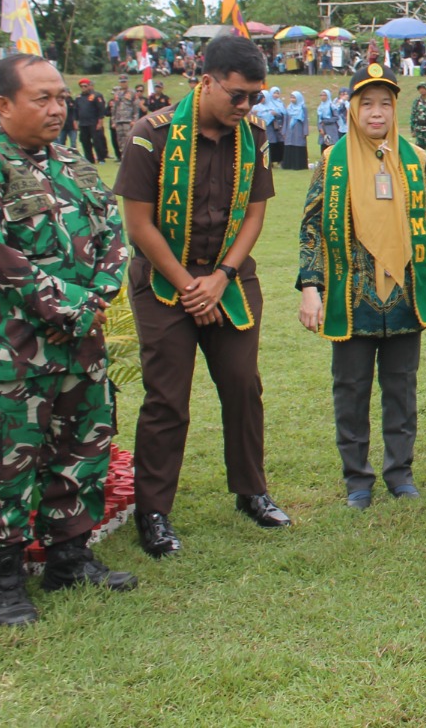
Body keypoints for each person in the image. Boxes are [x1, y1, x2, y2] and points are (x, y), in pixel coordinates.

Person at [0, 54, 136, 626]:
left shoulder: (75, 164)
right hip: (10, 352)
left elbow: (112, 235)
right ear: (2, 104)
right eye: (41, 98)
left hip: (78, 348)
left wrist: (95, 298)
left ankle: (69, 559)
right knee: (2, 463)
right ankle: (3, 583)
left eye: (61, 97)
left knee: (81, 451)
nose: (56, 108)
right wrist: (68, 307)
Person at [115, 33, 292, 558]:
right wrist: (189, 284)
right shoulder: (151, 135)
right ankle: (153, 511)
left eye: (255, 96)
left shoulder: (253, 136)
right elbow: (138, 224)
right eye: (238, 95)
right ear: (206, 81)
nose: (246, 106)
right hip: (164, 279)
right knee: (167, 397)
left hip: (229, 276)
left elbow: (255, 213)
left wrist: (221, 277)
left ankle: (251, 491)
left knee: (242, 384)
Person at [297, 63, 426, 506]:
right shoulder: (333, 162)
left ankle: (400, 473)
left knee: (401, 387)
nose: (376, 112)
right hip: (352, 296)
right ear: (352, 108)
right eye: (366, 103)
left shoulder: (415, 159)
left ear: (394, 108)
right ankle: (357, 479)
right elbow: (312, 227)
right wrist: (311, 287)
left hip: (405, 293)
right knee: (350, 389)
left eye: (385, 104)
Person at [73, 78, 107, 164]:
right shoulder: (78, 98)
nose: (83, 88)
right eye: (81, 86)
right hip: (83, 123)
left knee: (97, 141)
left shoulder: (95, 96)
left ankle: (101, 158)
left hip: (94, 123)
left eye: (85, 86)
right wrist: (75, 122)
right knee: (84, 141)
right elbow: (75, 110)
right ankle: (89, 159)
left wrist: (100, 121)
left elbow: (101, 109)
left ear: (89, 86)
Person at [110, 79, 137, 161]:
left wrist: (134, 120)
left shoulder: (132, 92)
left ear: (127, 82)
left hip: (128, 120)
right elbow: (114, 108)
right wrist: (113, 121)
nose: (123, 84)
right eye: (121, 82)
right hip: (118, 120)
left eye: (124, 82)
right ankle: (123, 157)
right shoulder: (117, 93)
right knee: (120, 140)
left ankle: (130, 157)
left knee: (128, 139)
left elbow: (135, 107)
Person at [282, 90, 309, 170]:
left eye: (294, 98)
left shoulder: (303, 108)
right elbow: (285, 120)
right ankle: (288, 165)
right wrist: (284, 131)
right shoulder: (289, 108)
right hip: (289, 130)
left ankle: (299, 165)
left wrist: (305, 131)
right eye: (291, 97)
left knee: (298, 144)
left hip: (299, 130)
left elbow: (305, 121)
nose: (292, 99)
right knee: (290, 145)